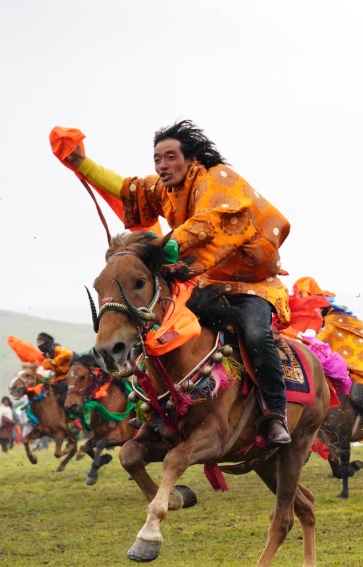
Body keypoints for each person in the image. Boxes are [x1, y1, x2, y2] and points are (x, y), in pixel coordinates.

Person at [60, 120, 291, 445]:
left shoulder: (217, 178)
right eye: (157, 159)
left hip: (251, 285)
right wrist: (81, 162)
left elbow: (212, 220)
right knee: (156, 326)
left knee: (255, 334)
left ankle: (275, 414)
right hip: (205, 282)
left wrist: (169, 245)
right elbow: (129, 188)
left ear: (192, 158)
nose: (162, 165)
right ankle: (163, 408)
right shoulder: (167, 191)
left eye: (170, 157)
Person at [295, 277, 363, 442]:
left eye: (317, 308)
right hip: (352, 365)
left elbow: (321, 339)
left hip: (362, 366)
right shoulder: (339, 317)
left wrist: (300, 341)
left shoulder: (334, 320)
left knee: (356, 395)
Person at [36, 332, 73, 406]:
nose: (39, 345)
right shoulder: (46, 355)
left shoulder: (55, 348)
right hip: (57, 380)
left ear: (46, 342)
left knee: (63, 400)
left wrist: (54, 361)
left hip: (69, 379)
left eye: (41, 342)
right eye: (37, 343)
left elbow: (67, 353)